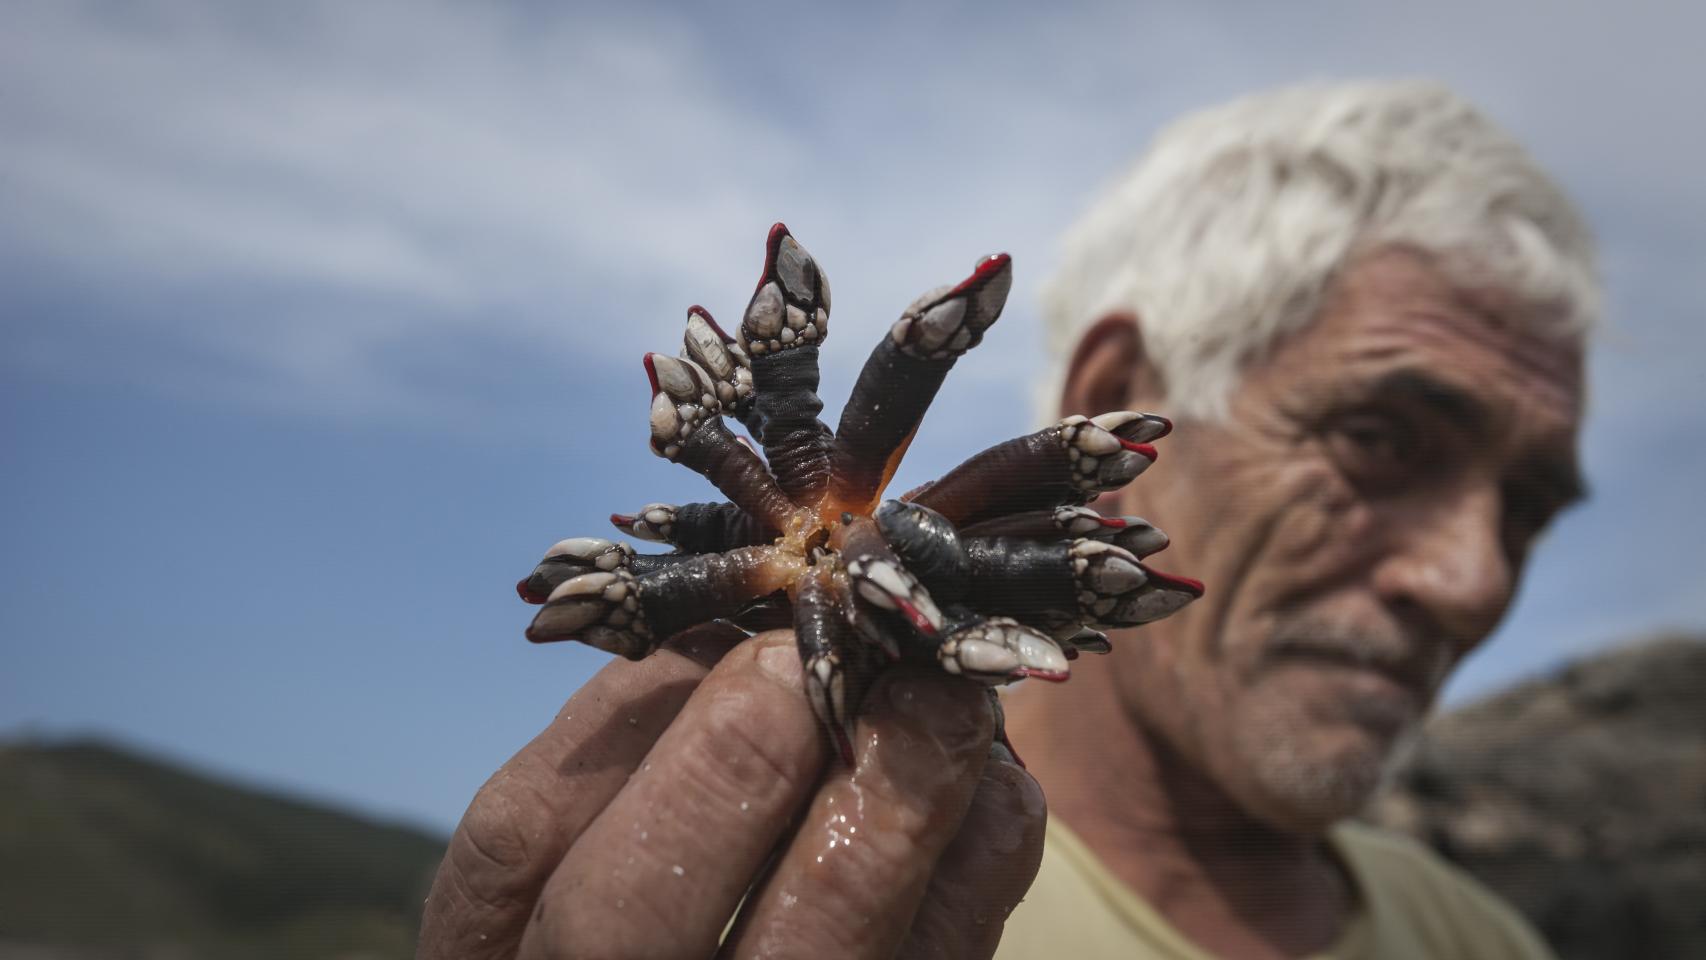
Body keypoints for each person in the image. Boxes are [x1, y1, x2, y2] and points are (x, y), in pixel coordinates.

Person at [417, 80, 1596, 959]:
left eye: (1529, 509)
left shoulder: (1481, 939)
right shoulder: (714, 889)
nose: (1469, 579)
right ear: (1111, 405)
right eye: (1380, 442)